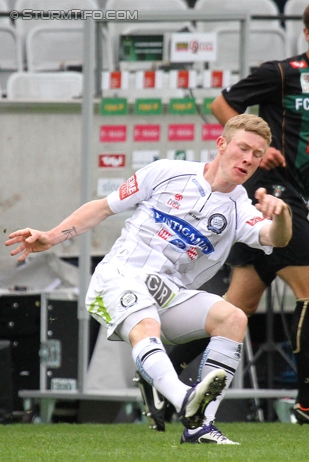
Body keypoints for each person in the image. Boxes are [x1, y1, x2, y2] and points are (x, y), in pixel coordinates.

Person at [5, 114, 292, 444]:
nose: (248, 159)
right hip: (119, 277)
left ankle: (200, 427)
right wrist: (52, 236)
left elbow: (276, 238)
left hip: (169, 294)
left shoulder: (241, 206)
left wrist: (282, 215)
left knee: (233, 318)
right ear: (221, 144)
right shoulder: (167, 172)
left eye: (257, 154)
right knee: (145, 324)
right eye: (243, 148)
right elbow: (103, 207)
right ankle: (183, 398)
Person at [210, 0, 309, 431]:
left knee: (237, 307)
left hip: (294, 193)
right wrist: (257, 150)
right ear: (308, 34)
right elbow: (221, 105)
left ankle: (160, 377)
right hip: (272, 193)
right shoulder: (281, 72)